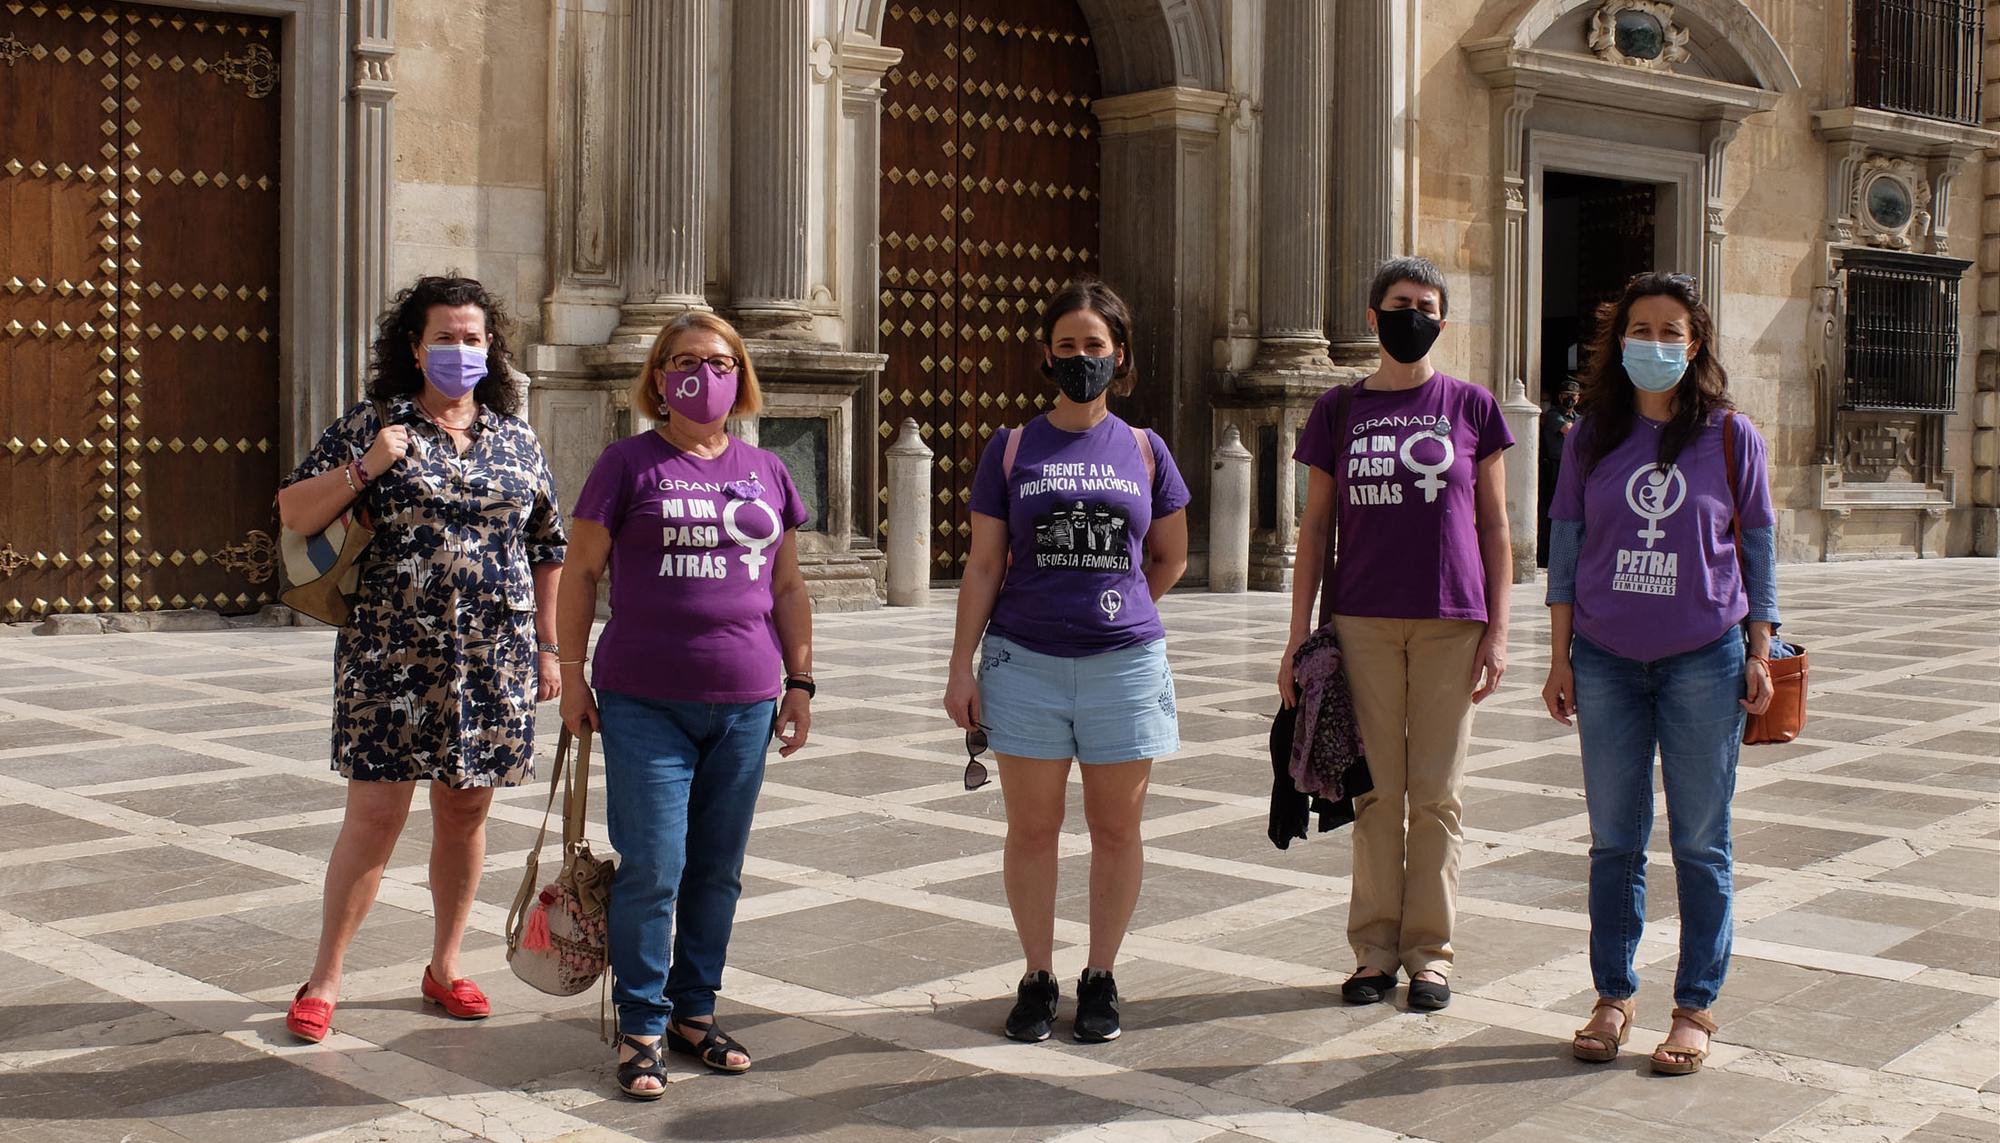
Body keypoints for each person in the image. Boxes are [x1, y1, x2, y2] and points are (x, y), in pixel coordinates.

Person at [276, 275, 567, 1042]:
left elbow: (548, 546)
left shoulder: (516, 437)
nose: (460, 351)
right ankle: (325, 977)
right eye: (445, 337)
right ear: (414, 345)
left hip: (492, 657)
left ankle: (444, 965)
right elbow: (293, 510)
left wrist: (549, 645)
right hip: (390, 654)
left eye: (473, 339)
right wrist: (368, 464)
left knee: (465, 811)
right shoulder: (376, 425)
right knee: (374, 815)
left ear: (491, 348)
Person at [556, 311, 814, 1099]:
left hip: (745, 699)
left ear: (741, 372)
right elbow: (580, 573)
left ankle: (693, 1012)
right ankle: (641, 1020)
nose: (705, 372)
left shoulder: (767, 470)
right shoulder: (627, 463)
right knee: (655, 866)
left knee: (717, 870)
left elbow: (789, 585)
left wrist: (800, 680)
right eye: (685, 360)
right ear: (659, 378)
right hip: (643, 699)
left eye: (721, 358)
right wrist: (571, 674)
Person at [1541, 271, 1777, 1075]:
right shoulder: (1589, 436)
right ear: (1620, 341)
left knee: (1702, 842)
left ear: (1696, 342)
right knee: (1615, 841)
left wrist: (1759, 646)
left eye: (1671, 331)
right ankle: (1612, 996)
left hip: (1704, 660)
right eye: (1642, 329)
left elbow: (1760, 547)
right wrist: (1559, 656)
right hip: (1605, 660)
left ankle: (1695, 1007)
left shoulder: (1730, 434)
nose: (1656, 343)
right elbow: (1566, 551)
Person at [943, 278, 1190, 1045]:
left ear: (1120, 357)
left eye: (1096, 346)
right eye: (1068, 346)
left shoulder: (1146, 448)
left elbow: (1169, 555)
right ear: (1046, 355)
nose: (1081, 358)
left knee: (1117, 828)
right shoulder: (1011, 447)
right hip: (1026, 662)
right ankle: (1038, 975)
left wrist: (1117, 605)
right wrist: (963, 666)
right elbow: (984, 565)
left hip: (1123, 664)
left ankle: (1102, 974)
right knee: (1033, 828)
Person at [1278, 255, 1513, 1012]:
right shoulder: (1338, 411)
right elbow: (1315, 528)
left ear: (1442, 320)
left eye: (1427, 304)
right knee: (1376, 794)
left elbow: (1496, 527)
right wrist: (1297, 636)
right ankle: (1374, 950)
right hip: (1362, 621)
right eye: (1399, 303)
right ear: (1373, 317)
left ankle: (1431, 954)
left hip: (1453, 619)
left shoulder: (1473, 407)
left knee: (1438, 794)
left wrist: (1500, 630)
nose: (1413, 314)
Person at [1538, 377, 1582, 565]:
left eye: (1573, 396)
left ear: (1578, 398)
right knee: (1552, 512)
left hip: (1573, 469)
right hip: (1553, 469)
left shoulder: (1579, 418)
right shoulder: (1554, 415)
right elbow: (1570, 431)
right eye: (1566, 395)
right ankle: (1545, 555)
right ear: (1560, 397)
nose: (1570, 399)